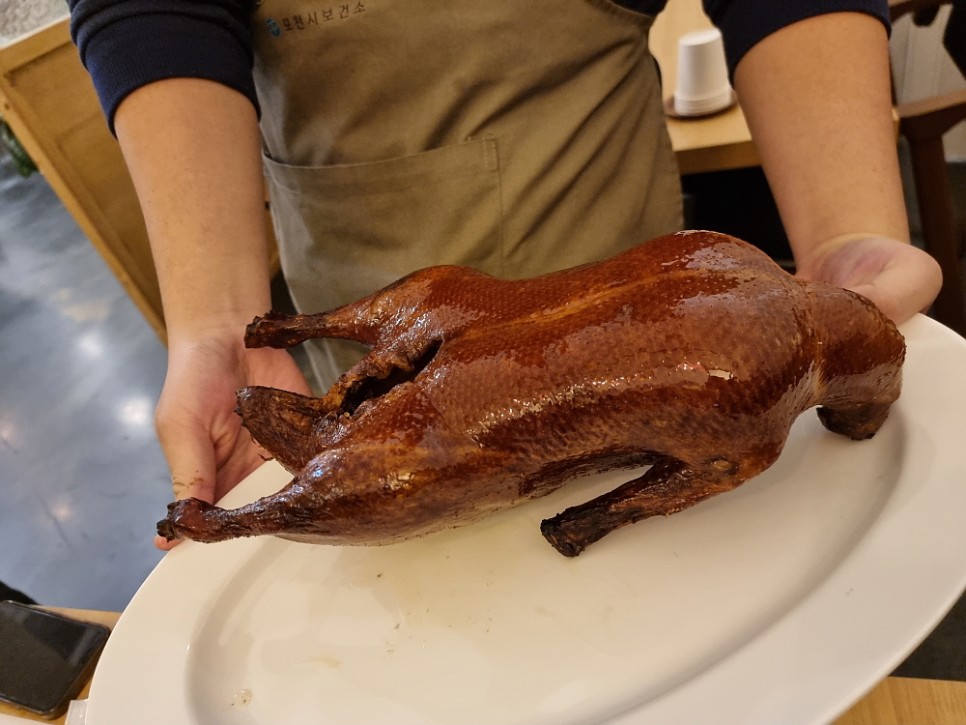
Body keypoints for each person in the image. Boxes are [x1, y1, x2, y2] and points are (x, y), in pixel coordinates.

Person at [68, 1, 941, 550]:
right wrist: (215, 318)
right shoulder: (749, 383)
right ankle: (252, 507)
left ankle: (248, 510)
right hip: (363, 232)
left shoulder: (743, 325)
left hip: (595, 239)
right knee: (406, 440)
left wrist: (846, 226)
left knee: (426, 440)